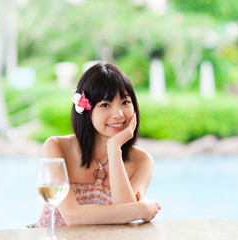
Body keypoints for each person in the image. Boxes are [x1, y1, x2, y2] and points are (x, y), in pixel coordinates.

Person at [36, 63, 161, 227]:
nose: (118, 114)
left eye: (125, 102)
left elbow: (126, 219)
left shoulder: (142, 161)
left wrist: (114, 148)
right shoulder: (57, 147)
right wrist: (142, 209)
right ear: (86, 110)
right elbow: (73, 217)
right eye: (105, 105)